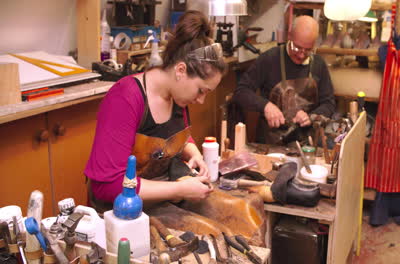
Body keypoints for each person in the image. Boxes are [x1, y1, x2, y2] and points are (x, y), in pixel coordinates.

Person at [85, 10, 227, 208]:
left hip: (161, 201)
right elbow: (107, 186)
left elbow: (172, 137)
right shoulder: (125, 98)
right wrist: (179, 190)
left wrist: (193, 152)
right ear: (181, 70)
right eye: (201, 91)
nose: (201, 100)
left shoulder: (178, 96)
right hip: (122, 210)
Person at [232, 15, 336, 144]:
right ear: (289, 36)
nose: (301, 54)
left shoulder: (319, 64)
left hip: (307, 142)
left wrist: (311, 117)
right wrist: (265, 106)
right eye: (297, 48)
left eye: (308, 50)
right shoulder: (269, 59)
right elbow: (241, 92)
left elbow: (329, 104)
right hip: (271, 142)